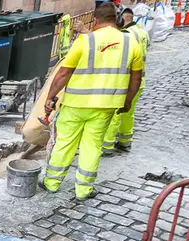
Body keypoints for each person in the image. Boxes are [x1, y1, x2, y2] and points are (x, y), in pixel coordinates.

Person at [40, 2, 143, 200]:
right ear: (117, 20)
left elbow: (63, 73)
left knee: (65, 142)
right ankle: (83, 190)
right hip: (106, 105)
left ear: (95, 20)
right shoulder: (131, 43)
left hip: (75, 104)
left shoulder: (85, 41)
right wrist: (128, 101)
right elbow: (136, 78)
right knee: (92, 145)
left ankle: (51, 183)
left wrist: (50, 98)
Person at [102, 7, 150, 155]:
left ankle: (107, 146)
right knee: (129, 113)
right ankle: (125, 141)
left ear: (122, 19)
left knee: (115, 114)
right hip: (138, 82)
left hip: (126, 82)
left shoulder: (126, 35)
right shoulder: (143, 33)